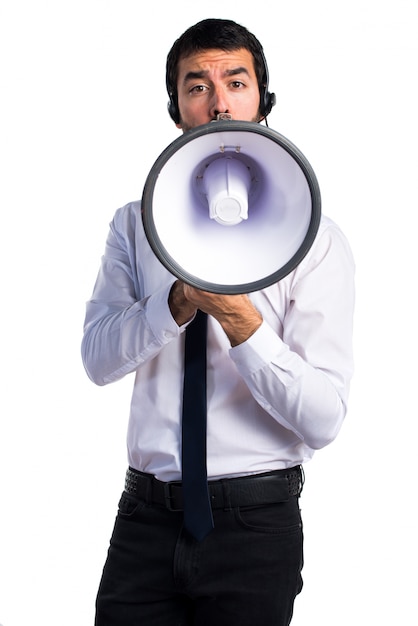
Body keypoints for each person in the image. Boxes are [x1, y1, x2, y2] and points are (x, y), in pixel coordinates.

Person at [82, 18, 355, 626]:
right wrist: (175, 304)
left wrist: (242, 322)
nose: (219, 100)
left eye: (237, 80)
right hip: (145, 520)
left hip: (255, 525)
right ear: (177, 106)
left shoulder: (314, 241)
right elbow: (98, 358)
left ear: (262, 99)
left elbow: (323, 417)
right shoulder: (134, 225)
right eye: (197, 85)